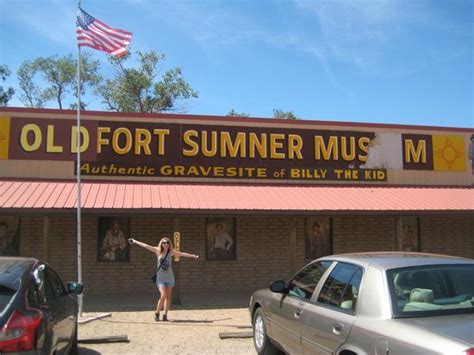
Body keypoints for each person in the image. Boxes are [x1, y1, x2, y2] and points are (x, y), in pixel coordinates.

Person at [129, 236, 199, 321]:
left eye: (167, 243)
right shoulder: (158, 251)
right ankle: (157, 313)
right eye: (164, 243)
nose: (165, 244)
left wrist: (193, 256)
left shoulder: (171, 252)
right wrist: (135, 241)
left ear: (169, 244)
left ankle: (165, 315)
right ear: (161, 244)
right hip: (160, 278)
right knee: (163, 295)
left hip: (170, 278)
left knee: (168, 297)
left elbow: (182, 254)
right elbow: (146, 245)